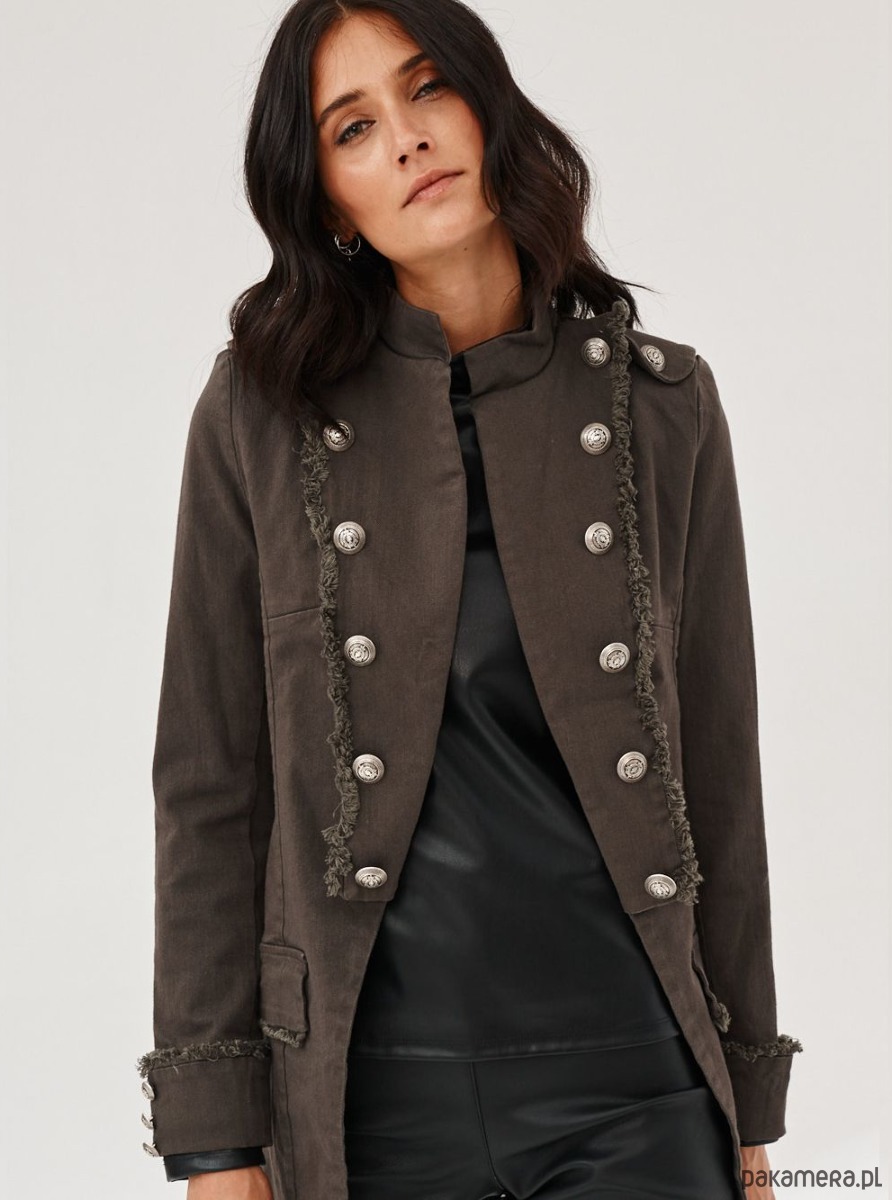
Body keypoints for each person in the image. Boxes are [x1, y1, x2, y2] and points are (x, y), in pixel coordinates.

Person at [135, 1, 802, 1197]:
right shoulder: (259, 418)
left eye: (428, 87)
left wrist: (748, 1088)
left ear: (489, 105)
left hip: (639, 1086)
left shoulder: (664, 407)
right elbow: (209, 782)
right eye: (352, 128)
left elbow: (720, 762)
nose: (406, 138)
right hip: (366, 1097)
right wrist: (215, 1140)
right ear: (329, 202)